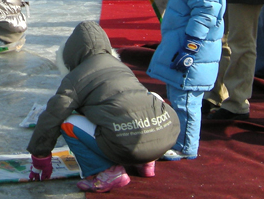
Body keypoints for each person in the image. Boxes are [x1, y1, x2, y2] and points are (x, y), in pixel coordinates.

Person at [27, 21, 178, 193]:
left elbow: (53, 116)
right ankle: (146, 162)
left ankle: (107, 171)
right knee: (150, 99)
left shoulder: (75, 78)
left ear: (70, 53)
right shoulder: (121, 67)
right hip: (164, 136)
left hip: (126, 142)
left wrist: (40, 157)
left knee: (68, 122)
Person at [147, 0, 225, 160]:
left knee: (187, 102)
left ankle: (186, 147)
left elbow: (205, 14)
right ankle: (180, 141)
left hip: (193, 54)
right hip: (181, 48)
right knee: (179, 97)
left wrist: (190, 48)